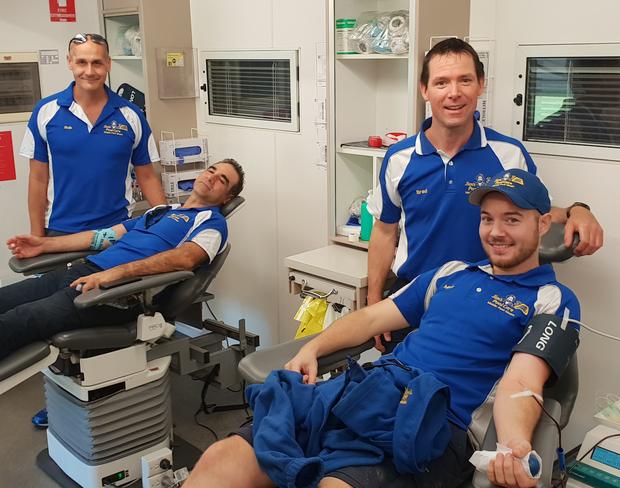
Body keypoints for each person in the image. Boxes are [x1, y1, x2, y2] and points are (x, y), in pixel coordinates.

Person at [184, 169, 581, 488]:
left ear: (543, 223)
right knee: (222, 459)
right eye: (487, 218)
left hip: (430, 422)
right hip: (362, 391)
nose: (496, 232)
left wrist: (513, 445)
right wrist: (313, 349)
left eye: (512, 219)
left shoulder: (553, 300)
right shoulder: (450, 273)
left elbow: (522, 382)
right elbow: (372, 317)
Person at [365, 37, 602, 352]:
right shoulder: (398, 158)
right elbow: (383, 233)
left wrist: (578, 210)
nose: (454, 92)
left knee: (473, 397)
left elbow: (537, 215)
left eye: (465, 80)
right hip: (412, 304)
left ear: (480, 85)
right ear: (425, 90)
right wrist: (372, 303)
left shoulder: (508, 154)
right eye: (441, 82)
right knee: (401, 390)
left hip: (487, 306)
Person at [1, 160, 244, 361]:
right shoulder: (161, 211)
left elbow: (185, 259)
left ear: (227, 197)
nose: (212, 177)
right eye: (211, 170)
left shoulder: (212, 224)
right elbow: (101, 237)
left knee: (20, 318)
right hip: (82, 273)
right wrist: (43, 244)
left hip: (115, 295)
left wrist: (115, 274)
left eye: (222, 179)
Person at [19, 33, 166, 238]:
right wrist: (37, 237)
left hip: (116, 230)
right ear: (70, 62)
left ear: (108, 64)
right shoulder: (45, 112)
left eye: (97, 63)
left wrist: (167, 224)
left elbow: (147, 177)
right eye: (82, 62)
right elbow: (37, 179)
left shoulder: (131, 115)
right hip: (60, 230)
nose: (89, 71)